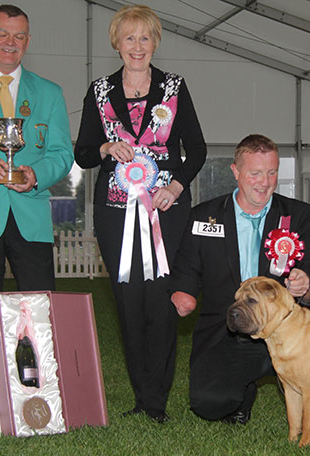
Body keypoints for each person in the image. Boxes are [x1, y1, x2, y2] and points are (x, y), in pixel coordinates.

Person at [74, 5, 206, 423]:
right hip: (115, 213)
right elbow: (82, 151)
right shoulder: (98, 92)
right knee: (128, 302)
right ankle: (140, 394)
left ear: (155, 42)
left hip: (166, 209)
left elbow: (197, 149)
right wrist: (105, 148)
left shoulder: (174, 88)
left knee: (160, 302)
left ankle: (158, 400)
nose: (137, 46)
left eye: (145, 38)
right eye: (129, 38)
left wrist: (174, 186)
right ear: (117, 43)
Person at [171, 134, 310, 435]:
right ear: (236, 172)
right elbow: (187, 269)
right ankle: (242, 396)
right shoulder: (204, 217)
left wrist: (306, 284)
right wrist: (182, 293)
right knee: (208, 403)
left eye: (271, 173)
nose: (264, 182)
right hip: (232, 331)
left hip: (289, 331)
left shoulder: (298, 215)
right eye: (255, 173)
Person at [0, 5, 73, 292]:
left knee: (39, 313)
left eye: (19, 36)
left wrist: (36, 175)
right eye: (2, 34)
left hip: (31, 219)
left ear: (28, 42)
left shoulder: (50, 93)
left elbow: (62, 154)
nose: (10, 42)